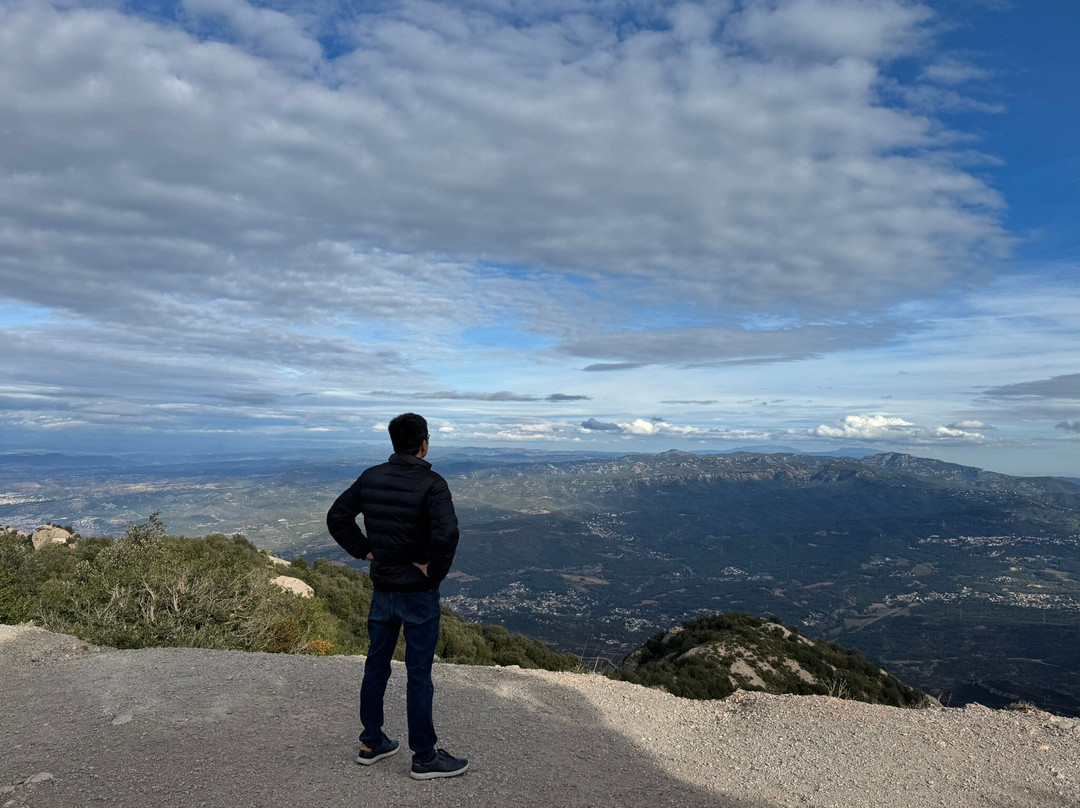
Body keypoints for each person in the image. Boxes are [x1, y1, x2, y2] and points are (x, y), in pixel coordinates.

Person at [326, 413, 468, 780]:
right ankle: (424, 757)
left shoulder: (371, 477)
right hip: (418, 593)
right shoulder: (433, 483)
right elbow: (447, 534)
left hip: (383, 589)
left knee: (376, 665)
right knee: (418, 674)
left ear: (393, 442)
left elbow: (337, 517)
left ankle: (372, 742)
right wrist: (432, 570)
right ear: (424, 443)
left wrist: (367, 551)